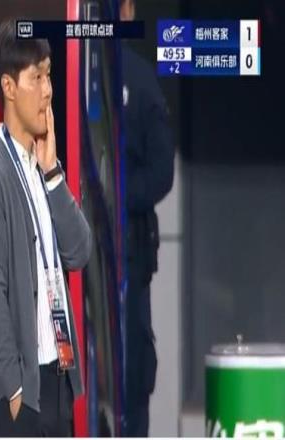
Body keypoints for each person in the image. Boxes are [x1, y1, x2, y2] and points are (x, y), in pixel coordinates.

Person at [0, 19, 92, 437]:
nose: (48, 90)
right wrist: (15, 389)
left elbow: (79, 252)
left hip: (56, 379)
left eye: (49, 75)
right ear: (8, 86)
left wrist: (54, 173)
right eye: (36, 77)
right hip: (19, 394)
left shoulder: (42, 167)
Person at [119, 0, 175, 436]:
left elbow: (161, 173)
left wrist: (114, 197)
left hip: (129, 258)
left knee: (133, 371)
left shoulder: (138, 80)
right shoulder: (61, 77)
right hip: (76, 257)